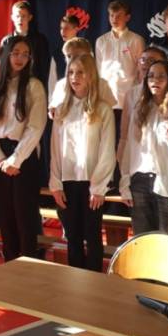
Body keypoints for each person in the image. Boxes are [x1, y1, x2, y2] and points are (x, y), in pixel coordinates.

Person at [0, 37, 47, 261]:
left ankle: (28, 264)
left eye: (25, 54)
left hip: (23, 155)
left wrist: (15, 160)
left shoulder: (34, 86)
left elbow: (36, 127)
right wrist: (0, 158)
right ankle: (10, 261)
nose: (20, 58)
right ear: (6, 54)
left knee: (25, 214)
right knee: (4, 214)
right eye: (16, 52)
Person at [50, 53, 116, 272]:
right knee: (73, 237)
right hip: (67, 181)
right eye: (71, 72)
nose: (74, 77)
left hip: (91, 183)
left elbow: (107, 150)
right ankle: (75, 283)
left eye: (80, 72)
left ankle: (94, 283)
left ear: (90, 76)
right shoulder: (61, 110)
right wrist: (55, 183)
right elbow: (55, 149)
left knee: (93, 236)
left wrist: (98, 187)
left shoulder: (103, 109)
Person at [120, 60, 168, 238]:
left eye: (161, 76)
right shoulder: (139, 110)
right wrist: (125, 183)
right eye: (151, 76)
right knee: (143, 240)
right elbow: (130, 149)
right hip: (139, 182)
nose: (155, 80)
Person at [95, 0, 145, 126]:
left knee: (126, 135)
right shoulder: (101, 41)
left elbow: (141, 70)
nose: (114, 19)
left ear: (127, 17)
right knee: (108, 136)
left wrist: (140, 97)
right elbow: (98, 70)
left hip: (129, 98)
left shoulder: (136, 40)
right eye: (111, 15)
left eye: (118, 16)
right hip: (106, 99)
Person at [116, 46, 168, 167]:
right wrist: (121, 159)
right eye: (143, 60)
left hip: (162, 161)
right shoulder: (131, 94)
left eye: (151, 60)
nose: (145, 63)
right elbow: (124, 133)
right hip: (137, 161)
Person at [48, 37, 117, 116]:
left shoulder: (101, 84)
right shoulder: (61, 85)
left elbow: (109, 112)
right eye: (69, 56)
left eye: (78, 56)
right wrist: (53, 111)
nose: (72, 60)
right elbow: (54, 111)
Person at [0, 0, 51, 88]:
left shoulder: (40, 40)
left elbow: (44, 67)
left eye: (23, 16)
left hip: (33, 85)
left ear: (30, 17)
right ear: (12, 17)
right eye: (17, 16)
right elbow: (2, 67)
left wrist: (40, 87)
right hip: (12, 85)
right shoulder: (6, 41)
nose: (20, 19)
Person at [48, 14, 81, 90]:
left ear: (76, 29)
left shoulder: (84, 50)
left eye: (66, 28)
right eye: (61, 28)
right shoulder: (57, 53)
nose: (63, 31)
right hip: (62, 93)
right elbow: (52, 79)